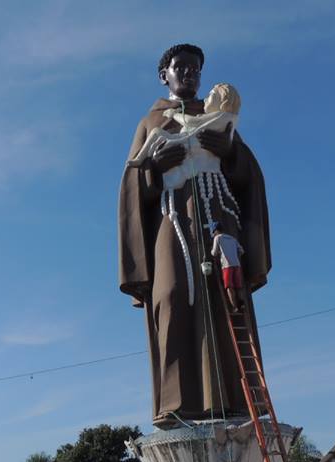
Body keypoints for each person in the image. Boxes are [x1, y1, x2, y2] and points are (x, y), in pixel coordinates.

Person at [118, 44, 271, 427]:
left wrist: (231, 151)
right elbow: (132, 185)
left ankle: (237, 399)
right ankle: (176, 402)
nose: (189, 74)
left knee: (227, 299)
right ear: (164, 75)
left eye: (195, 69)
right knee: (170, 295)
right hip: (174, 217)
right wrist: (153, 168)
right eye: (180, 67)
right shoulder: (150, 121)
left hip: (220, 215)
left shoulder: (218, 114)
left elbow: (248, 176)